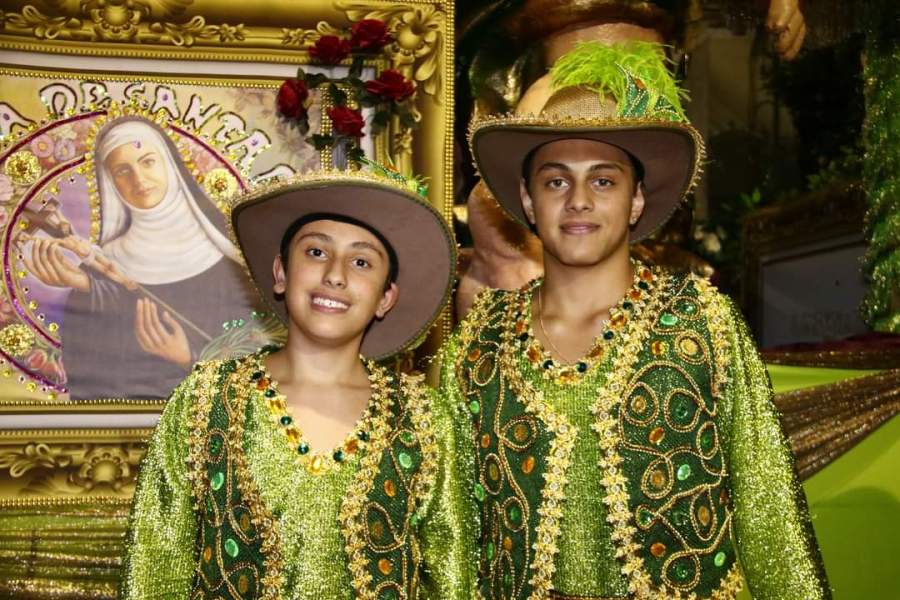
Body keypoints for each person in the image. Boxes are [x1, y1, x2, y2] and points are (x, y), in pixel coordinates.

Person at [442, 41, 830, 599]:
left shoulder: (699, 323)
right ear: (528, 201)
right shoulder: (480, 342)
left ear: (637, 200)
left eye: (603, 180)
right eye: (555, 181)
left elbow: (770, 516)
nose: (578, 200)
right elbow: (454, 537)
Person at [120, 167, 471, 599]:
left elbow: (451, 580)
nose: (335, 275)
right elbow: (155, 567)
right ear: (281, 273)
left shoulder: (423, 419)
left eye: (361, 262)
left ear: (385, 298)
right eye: (316, 252)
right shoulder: (207, 401)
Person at [24, 116, 261, 400]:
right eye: (122, 171)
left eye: (148, 162)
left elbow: (261, 354)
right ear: (111, 183)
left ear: (168, 165)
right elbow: (90, 371)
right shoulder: (107, 263)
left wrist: (190, 358)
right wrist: (85, 287)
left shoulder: (226, 259)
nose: (138, 179)